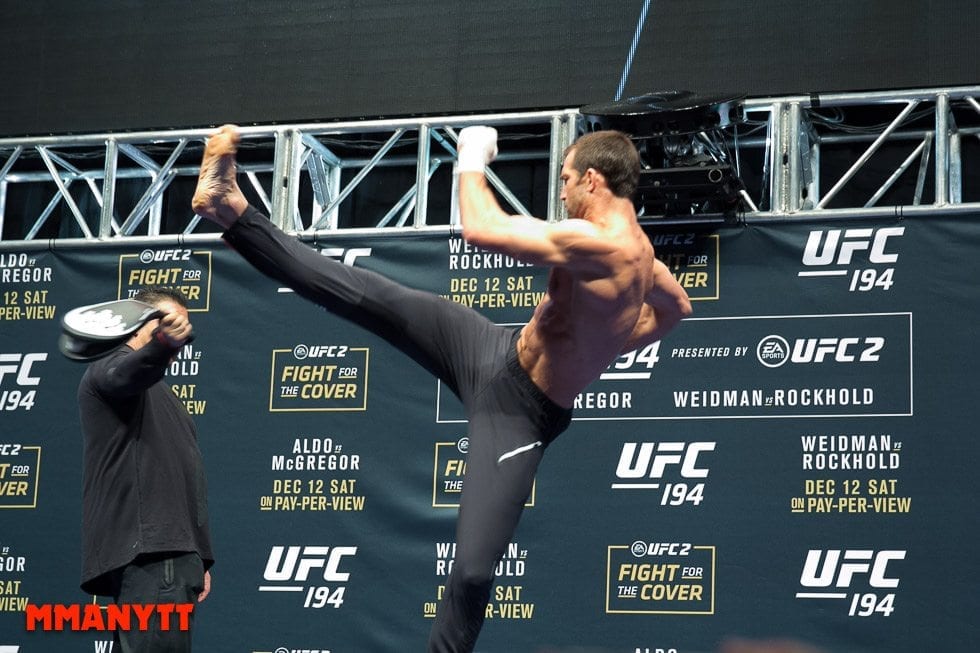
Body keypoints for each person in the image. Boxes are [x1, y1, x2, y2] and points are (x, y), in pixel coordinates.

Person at [192, 124, 691, 653]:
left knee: (473, 573)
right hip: (492, 351)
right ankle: (230, 209)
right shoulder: (643, 256)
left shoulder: (602, 244)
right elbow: (676, 307)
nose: (562, 191)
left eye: (565, 179)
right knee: (365, 294)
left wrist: (473, 154)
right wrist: (602, 347)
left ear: (592, 180)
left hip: (521, 414)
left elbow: (480, 229)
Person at [77, 286, 214, 653]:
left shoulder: (166, 397)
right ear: (138, 324)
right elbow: (128, 373)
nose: (179, 335)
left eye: (182, 328)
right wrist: (165, 345)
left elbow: (185, 474)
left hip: (170, 555)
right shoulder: (111, 367)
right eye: (168, 323)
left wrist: (199, 556)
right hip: (153, 555)